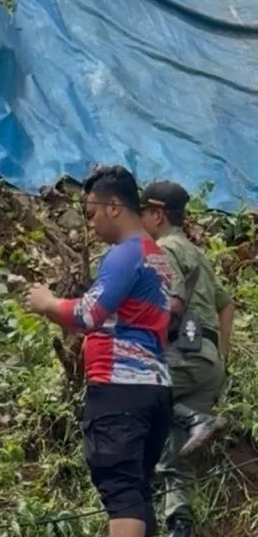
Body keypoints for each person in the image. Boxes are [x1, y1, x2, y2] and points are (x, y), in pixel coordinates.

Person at [26, 165, 172, 537]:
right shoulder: (158, 257)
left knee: (121, 491)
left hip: (120, 388)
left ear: (114, 206)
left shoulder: (126, 254)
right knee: (135, 491)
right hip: (154, 388)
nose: (90, 224)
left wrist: (46, 303)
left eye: (91, 214)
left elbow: (88, 314)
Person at [140, 181, 234, 537]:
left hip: (183, 352)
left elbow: (172, 302)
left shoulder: (162, 249)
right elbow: (226, 306)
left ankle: (196, 417)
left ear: (157, 214)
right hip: (208, 361)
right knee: (177, 449)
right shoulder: (199, 255)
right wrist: (221, 359)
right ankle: (180, 524)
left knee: (135, 391)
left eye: (144, 213)